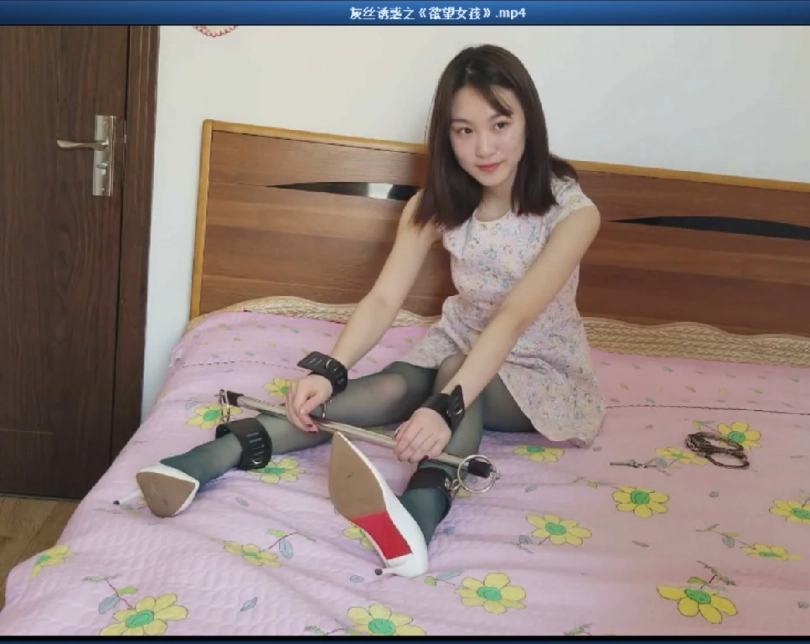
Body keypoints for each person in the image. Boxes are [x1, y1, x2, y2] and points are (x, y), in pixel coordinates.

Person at [134, 44, 606, 578]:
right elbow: (383, 299)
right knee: (392, 386)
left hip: (537, 366)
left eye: (500, 124)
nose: (484, 147)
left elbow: (513, 317)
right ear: (446, 135)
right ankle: (211, 457)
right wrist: (330, 370)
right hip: (460, 341)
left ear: (528, 120)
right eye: (464, 130)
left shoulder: (571, 212)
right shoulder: (437, 204)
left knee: (451, 379)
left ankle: (418, 514)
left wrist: (443, 409)